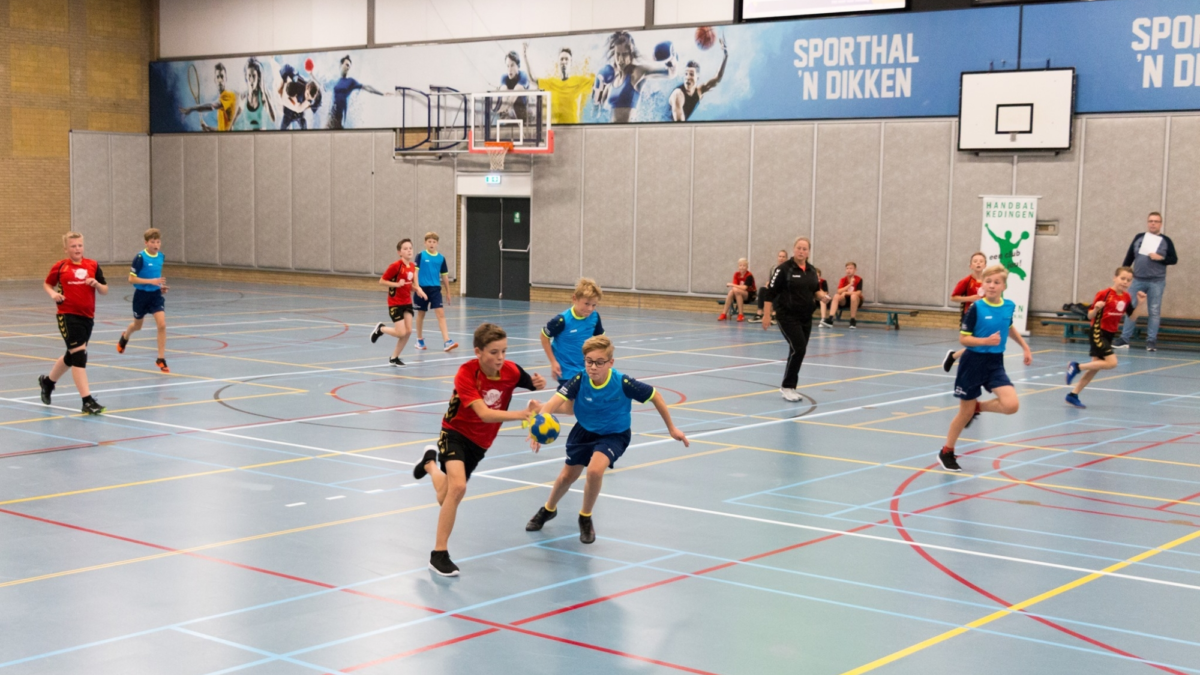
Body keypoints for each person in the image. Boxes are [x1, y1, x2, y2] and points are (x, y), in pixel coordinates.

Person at [525, 336, 688, 543]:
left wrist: (671, 428)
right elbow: (553, 403)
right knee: (567, 476)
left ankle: (585, 517)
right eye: (589, 361)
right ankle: (548, 509)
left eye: (599, 362)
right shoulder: (580, 379)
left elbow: (656, 396)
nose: (593, 367)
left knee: (594, 470)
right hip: (584, 431)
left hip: (614, 434)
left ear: (610, 362)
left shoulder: (622, 382)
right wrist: (538, 427)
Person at [411, 323, 545, 576]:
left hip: (481, 443)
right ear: (478, 352)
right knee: (459, 487)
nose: (501, 358)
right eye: (494, 352)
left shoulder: (512, 371)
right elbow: (484, 413)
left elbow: (533, 390)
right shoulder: (466, 373)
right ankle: (438, 554)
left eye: (504, 351)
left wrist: (537, 391)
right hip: (455, 433)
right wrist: (523, 415)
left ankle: (429, 463)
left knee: (446, 496)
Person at [938, 265, 1032, 472]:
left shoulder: (1008, 306)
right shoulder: (977, 308)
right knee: (964, 413)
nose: (992, 285)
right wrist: (984, 341)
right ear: (983, 284)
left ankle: (977, 408)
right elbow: (963, 339)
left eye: (996, 282)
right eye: (988, 282)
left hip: (995, 363)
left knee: (1011, 405)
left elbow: (1008, 326)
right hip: (972, 363)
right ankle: (947, 451)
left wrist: (1025, 347)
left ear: (1003, 286)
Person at [38, 233, 109, 415]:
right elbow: (47, 284)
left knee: (71, 357)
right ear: (66, 249)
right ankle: (87, 400)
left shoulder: (92, 265)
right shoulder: (61, 266)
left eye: (79, 245)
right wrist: (53, 294)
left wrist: (97, 284)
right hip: (67, 316)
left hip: (87, 317)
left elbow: (105, 290)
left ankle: (48, 382)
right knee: (79, 356)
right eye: (73, 246)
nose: (77, 249)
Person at [761, 237, 831, 402]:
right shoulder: (784, 269)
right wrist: (766, 315)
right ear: (794, 249)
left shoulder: (812, 270)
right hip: (787, 315)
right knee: (798, 348)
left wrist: (823, 297)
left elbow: (815, 290)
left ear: (808, 252)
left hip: (805, 316)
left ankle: (791, 387)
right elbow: (769, 292)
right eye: (799, 248)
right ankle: (786, 386)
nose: (801, 251)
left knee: (800, 350)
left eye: (805, 249)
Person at [1065, 267, 1146, 408]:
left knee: (1095, 367)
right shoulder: (1104, 293)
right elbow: (1089, 315)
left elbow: (1132, 317)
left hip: (1110, 334)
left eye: (1128, 280)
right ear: (1115, 278)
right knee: (1112, 363)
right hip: (1098, 331)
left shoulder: (1126, 297)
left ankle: (1073, 395)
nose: (1125, 282)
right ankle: (1076, 366)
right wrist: (1096, 308)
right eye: (1122, 278)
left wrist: (1140, 303)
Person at [1114, 211, 1179, 352]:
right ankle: (1124, 339)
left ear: (1160, 224)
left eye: (1156, 221)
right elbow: (1129, 256)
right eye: (1150, 221)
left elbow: (1174, 259)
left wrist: (1160, 258)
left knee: (1154, 311)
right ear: (1147, 223)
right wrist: (1124, 275)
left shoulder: (1166, 240)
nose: (1153, 223)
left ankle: (1151, 341)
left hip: (1157, 281)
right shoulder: (1139, 238)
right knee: (1130, 309)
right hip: (1138, 280)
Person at [116, 228, 170, 373]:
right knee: (137, 326)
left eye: (158, 242)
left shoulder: (161, 256)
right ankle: (125, 336)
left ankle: (161, 358)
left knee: (162, 324)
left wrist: (160, 286)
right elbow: (131, 278)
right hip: (141, 296)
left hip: (155, 296)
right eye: (152, 242)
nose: (156, 244)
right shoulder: (140, 258)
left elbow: (156, 276)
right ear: (146, 243)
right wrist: (151, 281)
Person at [594, 31, 676, 124]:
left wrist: (671, 59)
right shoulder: (612, 80)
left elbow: (670, 74)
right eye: (618, 54)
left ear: (631, 54)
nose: (620, 60)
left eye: (624, 54)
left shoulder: (637, 72)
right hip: (610, 133)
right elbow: (597, 113)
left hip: (629, 133)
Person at [371, 238, 426, 366]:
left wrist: (417, 289)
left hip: (407, 302)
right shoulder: (395, 266)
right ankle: (381, 328)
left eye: (410, 248)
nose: (409, 251)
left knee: (408, 331)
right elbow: (382, 281)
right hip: (395, 303)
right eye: (405, 249)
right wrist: (396, 284)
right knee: (400, 332)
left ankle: (394, 357)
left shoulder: (412, 266)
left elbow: (409, 285)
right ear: (399, 252)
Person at [540, 278, 604, 385]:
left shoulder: (595, 317)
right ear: (575, 299)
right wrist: (553, 362)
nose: (590, 309)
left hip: (586, 369)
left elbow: (601, 341)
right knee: (570, 398)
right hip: (567, 370)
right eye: (586, 304)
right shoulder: (562, 320)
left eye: (593, 305)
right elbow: (544, 336)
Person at [523, 43, 593, 125]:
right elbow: (532, 79)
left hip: (574, 129)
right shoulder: (552, 82)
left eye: (566, 59)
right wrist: (525, 57)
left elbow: (598, 83)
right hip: (557, 129)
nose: (564, 61)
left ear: (571, 62)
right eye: (561, 59)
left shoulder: (579, 81)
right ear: (558, 63)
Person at [942, 252, 987, 372]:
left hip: (984, 317)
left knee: (981, 343)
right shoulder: (966, 281)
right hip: (969, 315)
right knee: (975, 343)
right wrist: (970, 298)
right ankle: (958, 360)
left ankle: (954, 356)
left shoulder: (988, 282)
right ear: (971, 266)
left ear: (985, 265)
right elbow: (953, 297)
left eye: (981, 261)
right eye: (975, 261)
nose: (978, 263)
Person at [413, 232, 457, 352]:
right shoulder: (420, 256)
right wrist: (417, 287)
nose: (431, 244)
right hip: (422, 288)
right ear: (425, 243)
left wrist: (448, 292)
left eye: (434, 242)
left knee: (441, 314)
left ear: (437, 243)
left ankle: (446, 341)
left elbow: (445, 276)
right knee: (421, 314)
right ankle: (419, 339)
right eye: (429, 241)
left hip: (435, 289)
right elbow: (415, 273)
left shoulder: (441, 258)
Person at [669, 37, 728, 122]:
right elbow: (679, 123)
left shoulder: (699, 91)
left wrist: (725, 56)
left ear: (698, 77)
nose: (687, 77)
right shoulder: (678, 94)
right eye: (686, 74)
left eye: (691, 74)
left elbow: (717, 78)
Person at [327, 55, 387, 130]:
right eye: (347, 65)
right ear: (341, 65)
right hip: (330, 116)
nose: (348, 67)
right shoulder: (334, 81)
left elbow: (367, 87)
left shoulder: (350, 81)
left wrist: (382, 93)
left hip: (340, 118)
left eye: (349, 66)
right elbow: (322, 89)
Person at [179, 63, 238, 131]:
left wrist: (192, 108)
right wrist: (207, 127)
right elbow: (221, 130)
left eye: (222, 76)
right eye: (217, 77)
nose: (220, 80)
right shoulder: (221, 104)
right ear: (215, 80)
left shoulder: (228, 95)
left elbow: (212, 106)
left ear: (226, 79)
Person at [239, 58, 275, 131]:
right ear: (246, 77)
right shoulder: (243, 96)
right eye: (249, 75)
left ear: (259, 77)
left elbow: (273, 118)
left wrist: (264, 91)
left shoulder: (264, 94)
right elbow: (236, 121)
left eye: (254, 76)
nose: (251, 80)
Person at [754, 249, 787, 323]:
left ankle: (774, 314)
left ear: (786, 258)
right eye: (780, 256)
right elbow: (771, 279)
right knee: (763, 289)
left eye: (783, 257)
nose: (781, 258)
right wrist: (768, 283)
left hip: (783, 290)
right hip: (774, 286)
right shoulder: (773, 268)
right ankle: (759, 313)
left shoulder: (787, 269)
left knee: (776, 291)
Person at [496, 51, 531, 121]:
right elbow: (504, 94)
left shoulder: (523, 75)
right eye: (507, 66)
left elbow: (515, 94)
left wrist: (504, 108)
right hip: (509, 114)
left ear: (518, 66)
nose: (509, 69)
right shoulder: (504, 77)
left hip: (523, 115)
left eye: (512, 65)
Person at [719, 258, 756, 322]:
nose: (742, 267)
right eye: (740, 265)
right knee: (731, 292)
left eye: (744, 266)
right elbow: (734, 288)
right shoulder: (736, 274)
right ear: (738, 266)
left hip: (750, 294)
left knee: (736, 290)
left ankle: (741, 314)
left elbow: (744, 288)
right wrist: (734, 286)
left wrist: (732, 284)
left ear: (747, 267)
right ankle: (724, 313)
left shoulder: (749, 275)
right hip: (738, 293)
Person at [834, 262, 864, 329]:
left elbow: (858, 293)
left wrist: (845, 293)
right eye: (847, 268)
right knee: (836, 296)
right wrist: (849, 285)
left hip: (856, 300)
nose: (848, 270)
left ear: (855, 270)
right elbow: (839, 291)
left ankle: (853, 319)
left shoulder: (859, 279)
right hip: (846, 300)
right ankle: (830, 318)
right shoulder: (843, 279)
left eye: (851, 268)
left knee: (853, 296)